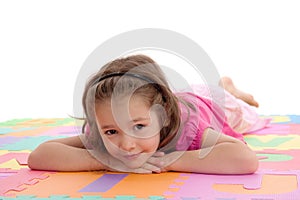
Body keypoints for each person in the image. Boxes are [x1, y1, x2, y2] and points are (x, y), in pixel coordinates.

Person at [28, 54, 269, 174]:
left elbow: (246, 159)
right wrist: (104, 160)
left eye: (139, 127)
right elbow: (39, 156)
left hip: (215, 104)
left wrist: (170, 161)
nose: (126, 145)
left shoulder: (188, 128)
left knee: (244, 114)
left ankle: (228, 88)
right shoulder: (107, 126)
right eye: (112, 131)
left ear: (163, 117)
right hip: (177, 96)